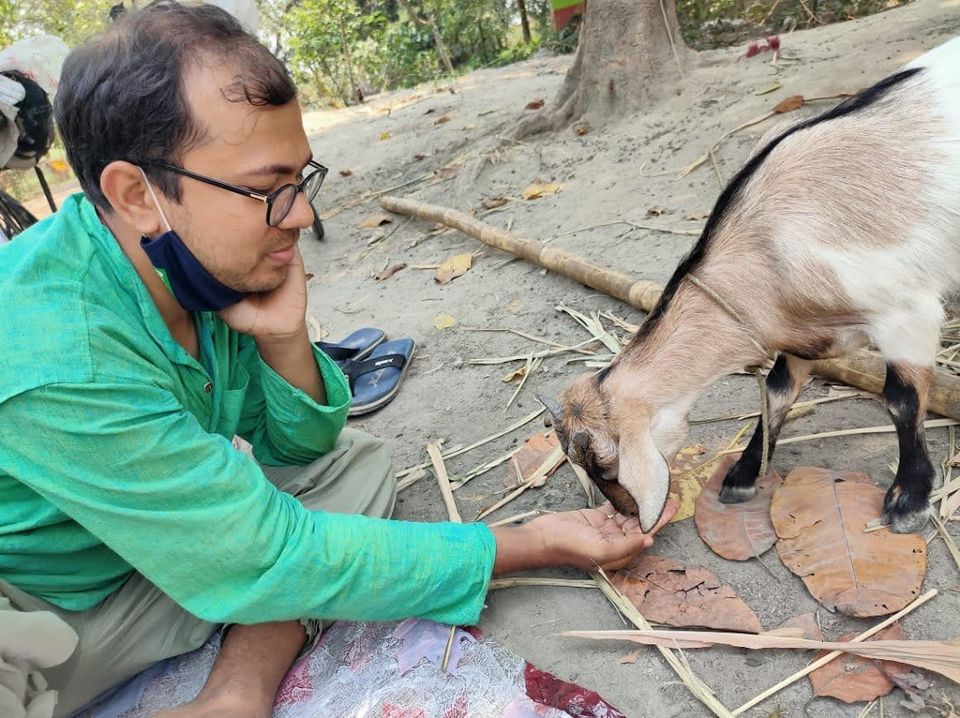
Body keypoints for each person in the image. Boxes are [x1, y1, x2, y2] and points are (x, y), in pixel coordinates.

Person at [0, 4, 677, 717]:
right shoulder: (56, 354)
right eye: (266, 190)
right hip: (41, 609)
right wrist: (527, 542)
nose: (298, 216)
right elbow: (267, 557)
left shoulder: (183, 262)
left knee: (354, 468)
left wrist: (285, 338)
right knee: (280, 553)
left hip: (135, 560)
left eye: (299, 179)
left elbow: (302, 448)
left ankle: (233, 693)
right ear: (137, 195)